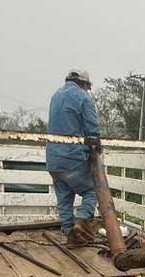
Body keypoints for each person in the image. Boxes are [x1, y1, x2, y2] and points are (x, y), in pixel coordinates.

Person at [45, 69, 101, 245]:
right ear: (84, 84)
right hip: (72, 157)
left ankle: (71, 234)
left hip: (53, 159)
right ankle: (82, 221)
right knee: (91, 191)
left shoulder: (56, 96)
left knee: (64, 197)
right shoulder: (83, 97)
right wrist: (96, 148)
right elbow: (92, 130)